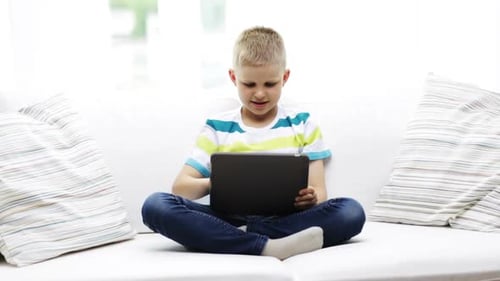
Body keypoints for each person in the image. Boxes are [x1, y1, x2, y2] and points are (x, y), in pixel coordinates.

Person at [142, 26, 365, 260]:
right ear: (233, 77)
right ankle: (268, 246)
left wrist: (311, 199)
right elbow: (181, 188)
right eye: (249, 84)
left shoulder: (302, 124)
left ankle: (230, 238)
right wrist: (213, 182)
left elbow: (320, 192)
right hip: (227, 217)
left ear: (284, 78)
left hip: (286, 219)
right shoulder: (217, 127)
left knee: (350, 211)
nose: (259, 94)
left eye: (270, 84)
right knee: (155, 205)